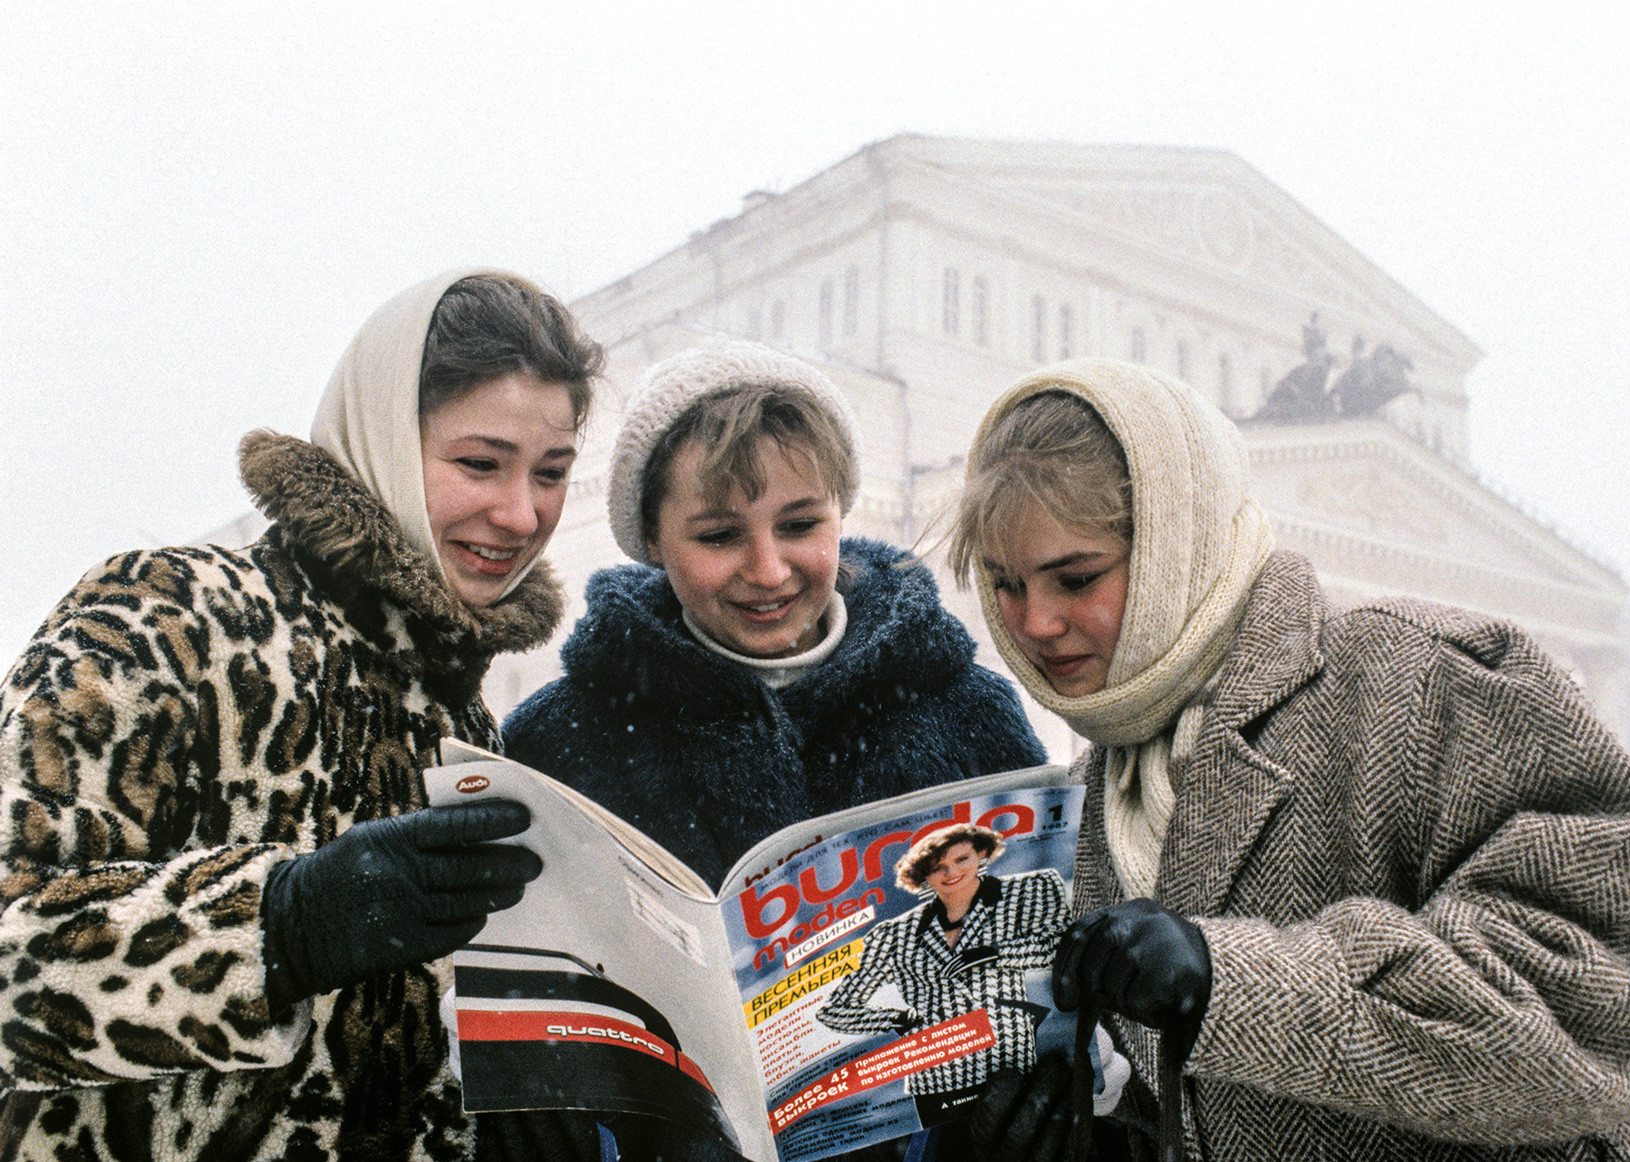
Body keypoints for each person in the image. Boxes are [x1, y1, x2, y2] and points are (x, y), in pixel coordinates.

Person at [945, 359, 1630, 1162]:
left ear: (1181, 540)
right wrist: (1087, 1128)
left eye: (1076, 577)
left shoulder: (1420, 676)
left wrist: (1223, 983)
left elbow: (1618, 1008)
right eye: (1004, 585)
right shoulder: (1102, 791)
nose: (1035, 622)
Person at [0, 269, 603, 1161]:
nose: (521, 513)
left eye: (550, 473)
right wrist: (283, 925)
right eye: (480, 463)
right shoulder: (167, 612)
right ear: (384, 441)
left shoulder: (465, 721)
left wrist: (506, 1106)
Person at [495, 340, 1046, 1161]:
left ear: (840, 513)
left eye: (800, 524)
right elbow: (528, 995)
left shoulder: (964, 708)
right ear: (652, 537)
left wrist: (1031, 1090)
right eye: (719, 535)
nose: (769, 568)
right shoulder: (561, 740)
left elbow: (1040, 958)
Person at [817, 825, 1070, 1125]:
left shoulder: (1028, 891)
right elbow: (835, 1011)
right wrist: (895, 1019)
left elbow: (1062, 948)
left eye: (961, 859)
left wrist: (994, 954)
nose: (951, 872)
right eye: (938, 868)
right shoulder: (895, 936)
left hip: (1011, 1067)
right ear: (923, 875)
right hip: (935, 1086)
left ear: (981, 853)